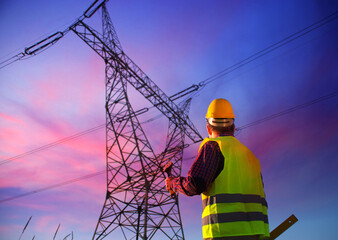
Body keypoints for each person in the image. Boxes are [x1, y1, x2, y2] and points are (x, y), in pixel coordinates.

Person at [165, 98, 270, 240]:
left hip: (224, 233)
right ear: (233, 128)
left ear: (208, 128)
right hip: (257, 234)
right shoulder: (251, 157)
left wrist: (172, 183)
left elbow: (195, 184)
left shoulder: (213, 147)